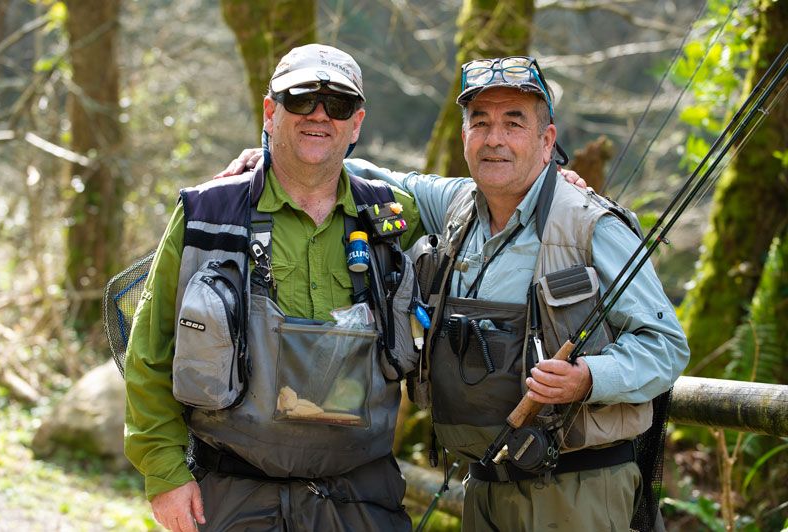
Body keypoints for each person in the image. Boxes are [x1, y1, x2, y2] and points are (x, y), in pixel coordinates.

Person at [221, 55, 689, 531]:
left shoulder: (592, 225)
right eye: (479, 122)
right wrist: (272, 153)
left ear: (547, 142)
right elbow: (372, 174)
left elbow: (666, 345)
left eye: (514, 123)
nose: (495, 139)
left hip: (576, 490)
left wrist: (588, 377)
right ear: (464, 137)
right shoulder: (454, 205)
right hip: (483, 483)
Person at [123, 43, 428, 532]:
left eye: (339, 105)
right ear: (271, 111)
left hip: (360, 498)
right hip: (232, 492)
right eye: (302, 98)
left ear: (357, 123)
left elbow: (483, 204)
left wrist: (552, 179)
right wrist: (164, 473)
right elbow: (150, 351)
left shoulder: (395, 217)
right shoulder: (207, 214)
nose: (320, 115)